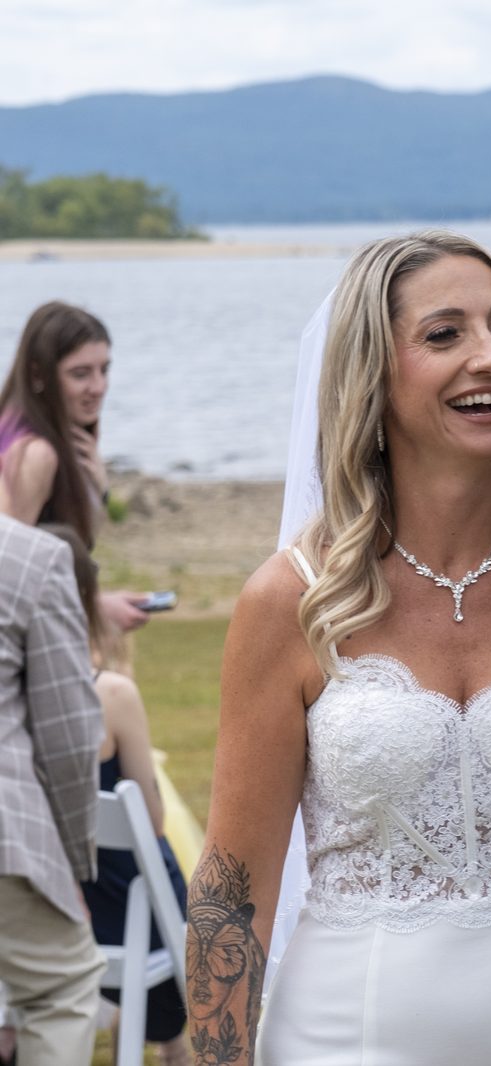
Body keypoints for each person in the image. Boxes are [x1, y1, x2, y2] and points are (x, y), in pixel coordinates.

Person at [186, 230, 491, 1065]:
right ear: (372, 375)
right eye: (445, 334)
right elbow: (231, 893)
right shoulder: (293, 602)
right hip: (347, 1037)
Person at [34, 523, 191, 1064]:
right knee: (164, 878)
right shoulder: (112, 695)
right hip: (128, 915)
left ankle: (159, 1029)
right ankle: (173, 1040)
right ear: (84, 599)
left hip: (42, 909)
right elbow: (150, 820)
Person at [0, 512, 105, 1066]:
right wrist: (71, 869)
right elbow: (67, 739)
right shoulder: (29, 556)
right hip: (8, 840)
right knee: (58, 992)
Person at [0, 301, 151, 634]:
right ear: (39, 374)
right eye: (80, 374)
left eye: (104, 370)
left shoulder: (17, 429)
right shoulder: (36, 454)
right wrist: (98, 607)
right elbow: (8, 582)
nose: (98, 387)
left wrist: (97, 484)